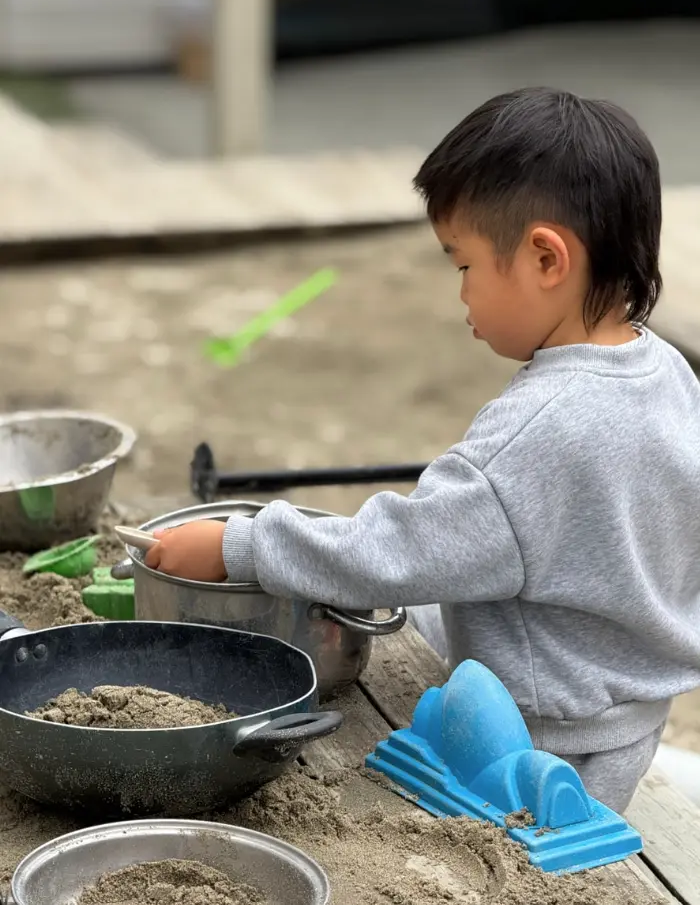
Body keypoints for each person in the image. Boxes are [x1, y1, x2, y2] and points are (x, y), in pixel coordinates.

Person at [144, 88, 700, 814]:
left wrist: (239, 545)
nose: (461, 293)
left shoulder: (535, 434)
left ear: (544, 257)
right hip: (627, 712)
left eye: (464, 265)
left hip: (534, 741)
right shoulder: (666, 371)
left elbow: (396, 551)